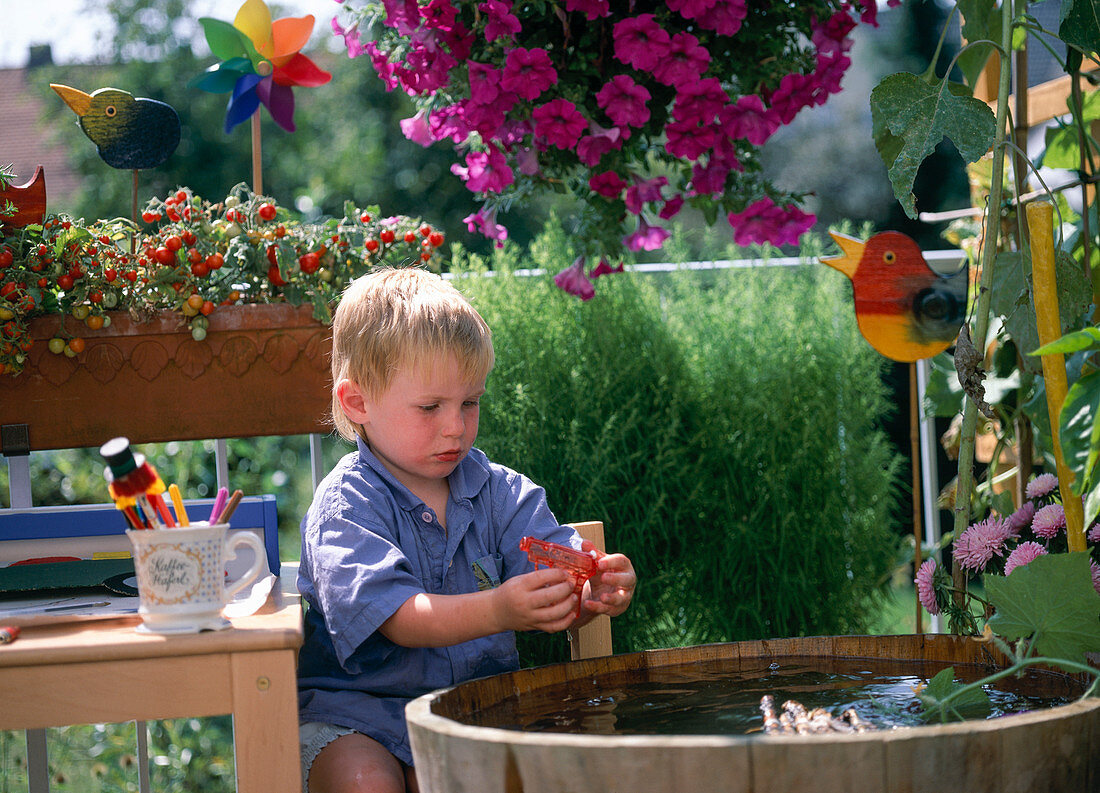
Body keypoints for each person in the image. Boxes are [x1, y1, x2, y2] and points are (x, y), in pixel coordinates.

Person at [297, 267, 637, 793]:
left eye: (469, 403)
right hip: (357, 715)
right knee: (367, 783)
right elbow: (399, 618)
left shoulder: (503, 493)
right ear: (357, 403)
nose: (455, 425)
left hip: (474, 708)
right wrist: (499, 609)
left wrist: (590, 588)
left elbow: (556, 566)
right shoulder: (346, 505)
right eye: (430, 407)